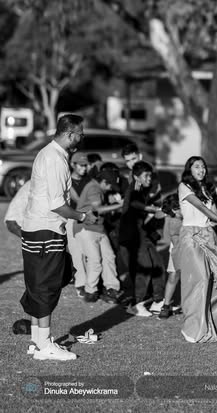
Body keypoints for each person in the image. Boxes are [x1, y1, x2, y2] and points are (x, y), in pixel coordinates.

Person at [20, 114, 98, 361]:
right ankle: (44, 346)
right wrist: (83, 217)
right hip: (46, 229)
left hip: (35, 228)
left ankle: (37, 340)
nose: (81, 138)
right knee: (46, 288)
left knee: (38, 286)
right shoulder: (55, 158)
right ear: (69, 133)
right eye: (80, 134)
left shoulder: (48, 154)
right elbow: (57, 204)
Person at [176, 156, 217, 343]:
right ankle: (193, 329)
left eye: (203, 167)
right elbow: (201, 208)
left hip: (208, 235)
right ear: (189, 169)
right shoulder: (184, 186)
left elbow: (215, 211)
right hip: (192, 236)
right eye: (197, 167)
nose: (201, 170)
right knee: (200, 279)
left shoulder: (208, 189)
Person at [118, 161, 166, 317]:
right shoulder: (134, 189)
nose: (149, 178)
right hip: (132, 237)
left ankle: (158, 301)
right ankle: (136, 304)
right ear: (136, 177)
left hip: (142, 234)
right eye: (146, 175)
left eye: (150, 175)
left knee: (158, 264)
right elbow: (134, 202)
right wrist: (153, 209)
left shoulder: (143, 191)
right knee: (144, 267)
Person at [75, 168, 122, 304]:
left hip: (98, 228)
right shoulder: (94, 188)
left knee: (109, 256)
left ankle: (111, 288)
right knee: (95, 260)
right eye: (109, 185)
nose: (110, 188)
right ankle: (90, 291)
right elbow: (98, 209)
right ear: (103, 181)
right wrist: (118, 205)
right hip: (86, 228)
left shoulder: (99, 188)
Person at [67, 151, 90, 297]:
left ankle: (91, 283)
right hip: (72, 218)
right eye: (81, 165)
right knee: (76, 253)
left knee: (89, 252)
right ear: (72, 164)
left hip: (88, 219)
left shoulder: (89, 180)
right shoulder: (66, 180)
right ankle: (80, 283)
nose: (84, 168)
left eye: (86, 165)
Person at [157, 193, 182, 319]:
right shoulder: (173, 221)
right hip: (178, 249)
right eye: (180, 207)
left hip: (191, 248)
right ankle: (166, 304)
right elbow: (174, 241)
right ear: (174, 210)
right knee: (174, 275)